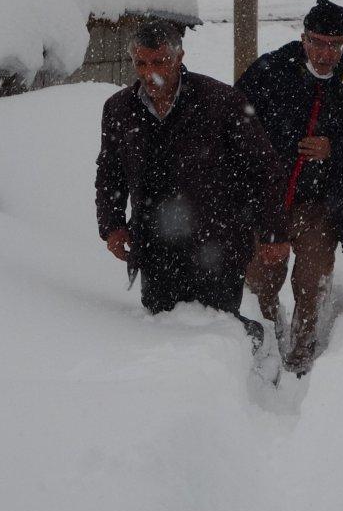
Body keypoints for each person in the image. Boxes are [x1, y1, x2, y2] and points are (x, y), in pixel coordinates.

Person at [95, 20, 291, 348]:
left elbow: (263, 170)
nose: (149, 72)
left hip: (217, 240)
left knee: (216, 322)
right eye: (140, 63)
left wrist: (273, 233)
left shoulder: (222, 102)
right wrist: (112, 225)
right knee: (165, 326)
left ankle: (249, 350)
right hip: (155, 243)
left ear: (179, 56)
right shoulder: (120, 109)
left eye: (159, 61)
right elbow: (110, 173)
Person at [236, 0, 343, 375]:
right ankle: (269, 342)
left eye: (335, 45)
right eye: (318, 42)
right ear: (303, 38)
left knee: (312, 279)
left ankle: (300, 356)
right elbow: (235, 122)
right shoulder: (271, 71)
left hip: (321, 204)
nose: (326, 53)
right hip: (268, 202)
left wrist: (336, 148)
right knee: (259, 279)